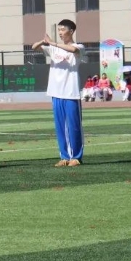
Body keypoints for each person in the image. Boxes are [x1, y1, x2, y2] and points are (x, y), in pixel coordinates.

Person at [32, 19, 85, 167]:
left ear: (71, 31)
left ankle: (76, 157)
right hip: (56, 92)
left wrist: (53, 43)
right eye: (59, 30)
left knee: (74, 126)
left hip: (71, 93)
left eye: (63, 30)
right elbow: (34, 47)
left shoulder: (79, 47)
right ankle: (64, 156)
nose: (60, 32)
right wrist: (43, 42)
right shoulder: (53, 49)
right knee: (60, 127)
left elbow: (73, 50)